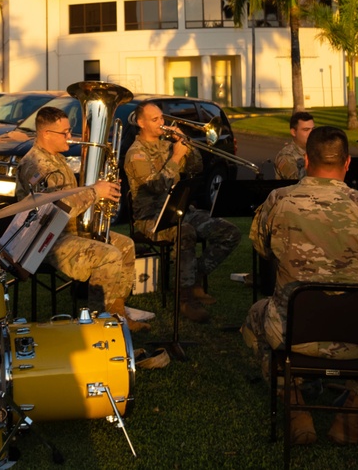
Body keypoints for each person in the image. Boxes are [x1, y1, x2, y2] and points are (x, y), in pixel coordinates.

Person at [244, 125, 358, 446]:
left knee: (255, 319)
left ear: (306, 160)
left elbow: (262, 248)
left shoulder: (277, 201)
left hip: (292, 334)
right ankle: (352, 414)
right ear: (348, 163)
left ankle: (296, 409)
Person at [14, 106, 147, 333]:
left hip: (69, 231)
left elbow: (70, 196)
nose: (70, 136)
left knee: (126, 246)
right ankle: (99, 324)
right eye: (64, 132)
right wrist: (95, 192)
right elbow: (58, 209)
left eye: (69, 130)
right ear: (46, 134)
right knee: (109, 255)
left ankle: (117, 313)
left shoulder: (56, 159)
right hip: (46, 240)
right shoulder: (36, 165)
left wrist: (103, 191)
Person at [124, 102, 240, 323]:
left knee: (229, 232)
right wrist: (176, 158)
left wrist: (186, 144)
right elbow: (156, 187)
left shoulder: (167, 145)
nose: (162, 123)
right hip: (151, 219)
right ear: (141, 123)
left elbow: (196, 168)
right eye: (155, 119)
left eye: (162, 118)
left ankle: (195, 277)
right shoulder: (135, 153)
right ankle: (185, 299)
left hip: (179, 210)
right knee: (184, 231)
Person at [273, 110, 314, 180]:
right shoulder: (285, 156)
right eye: (306, 130)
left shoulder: (316, 150)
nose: (312, 133)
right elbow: (297, 179)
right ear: (293, 132)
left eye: (313, 129)